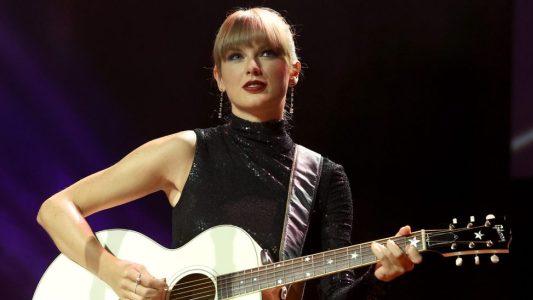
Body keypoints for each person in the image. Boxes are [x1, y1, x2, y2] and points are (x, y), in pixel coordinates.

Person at [37, 7, 422, 300]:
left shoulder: (323, 176)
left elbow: (332, 292)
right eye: (235, 56)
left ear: (293, 71)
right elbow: (55, 209)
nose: (252, 67)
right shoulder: (185, 151)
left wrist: (378, 278)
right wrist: (112, 271)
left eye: (267, 53)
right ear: (219, 77)